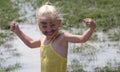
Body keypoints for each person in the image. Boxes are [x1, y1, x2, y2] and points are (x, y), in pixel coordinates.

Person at [10, 2, 96, 72]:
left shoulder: (62, 37)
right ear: (39, 25)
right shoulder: (43, 39)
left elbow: (82, 39)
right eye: (44, 26)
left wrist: (92, 28)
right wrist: (18, 32)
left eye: (52, 25)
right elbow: (31, 44)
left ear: (59, 22)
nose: (49, 29)